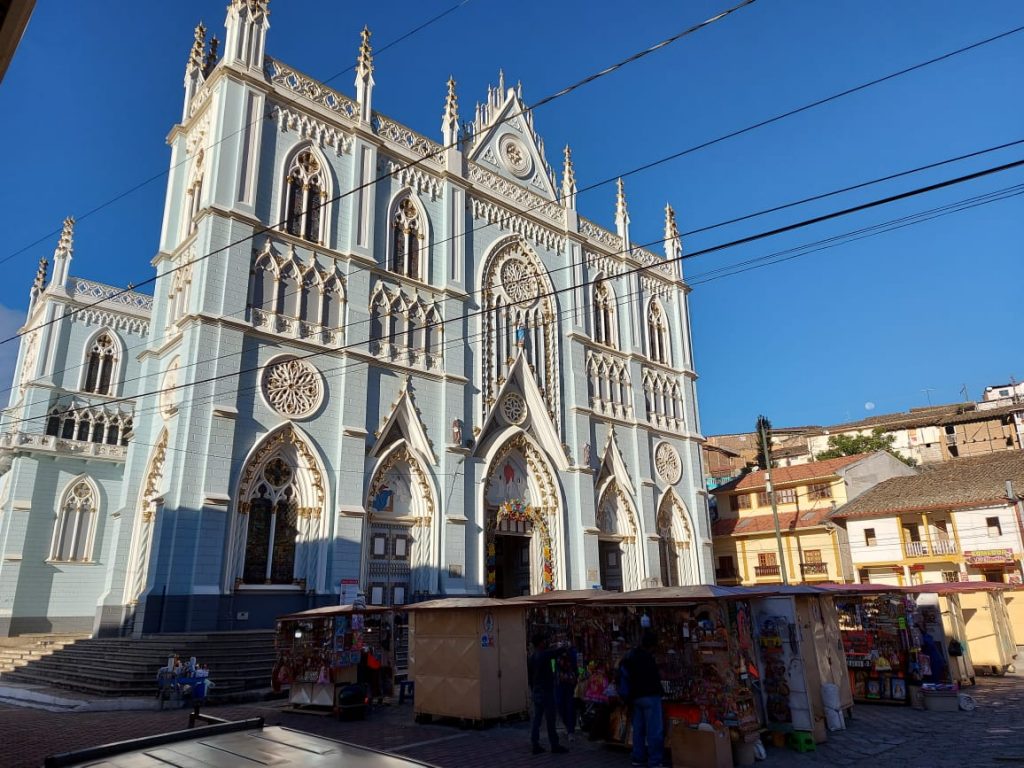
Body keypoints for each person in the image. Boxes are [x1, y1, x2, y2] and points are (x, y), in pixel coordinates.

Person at [622, 631, 664, 768]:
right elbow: (655, 678)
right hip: (650, 696)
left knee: (638, 730)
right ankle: (655, 761)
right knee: (654, 730)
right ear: (653, 646)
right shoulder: (648, 658)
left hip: (635, 697)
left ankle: (638, 757)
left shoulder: (632, 655)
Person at [527, 633, 569, 755]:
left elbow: (530, 676)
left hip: (537, 690)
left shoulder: (532, 657)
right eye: (543, 641)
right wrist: (565, 647)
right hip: (546, 691)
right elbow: (555, 653)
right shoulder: (543, 654)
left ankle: (535, 743)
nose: (545, 643)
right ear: (540, 643)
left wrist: (533, 688)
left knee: (537, 719)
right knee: (550, 719)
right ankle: (554, 744)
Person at [555, 644, 579, 742]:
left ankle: (570, 730)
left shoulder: (573, 654)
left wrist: (577, 677)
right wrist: (555, 675)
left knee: (570, 707)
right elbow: (553, 666)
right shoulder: (556, 653)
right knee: (560, 705)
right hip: (560, 684)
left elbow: (578, 667)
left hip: (570, 684)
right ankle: (567, 725)